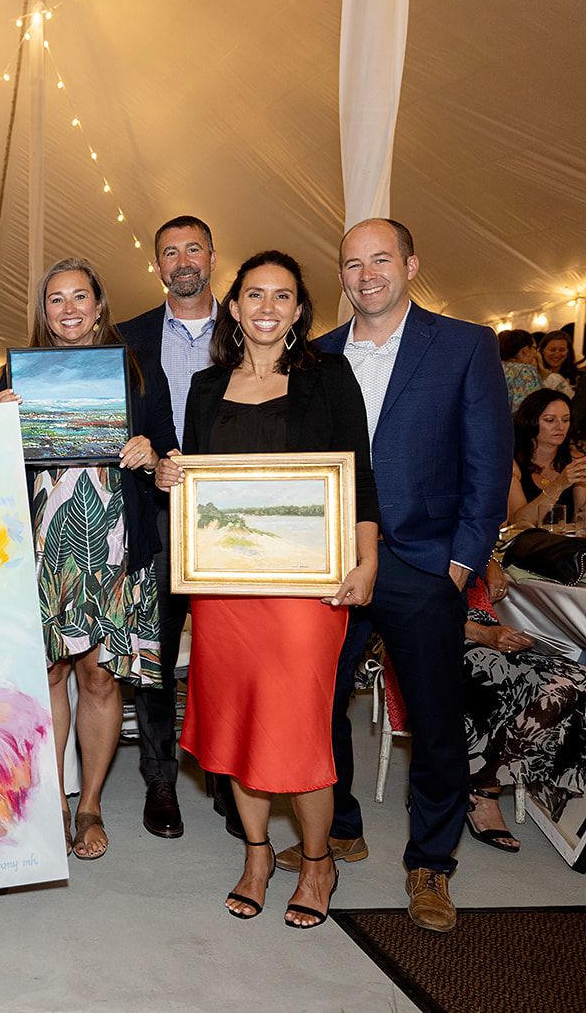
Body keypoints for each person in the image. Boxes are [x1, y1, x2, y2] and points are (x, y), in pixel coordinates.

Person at [156, 250, 379, 928]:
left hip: (305, 593)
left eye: (283, 297)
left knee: (301, 728)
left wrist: (366, 560)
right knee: (236, 725)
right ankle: (256, 855)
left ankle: (317, 861)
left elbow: (358, 476)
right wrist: (171, 477)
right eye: (255, 295)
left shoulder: (328, 376)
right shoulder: (203, 386)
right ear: (234, 306)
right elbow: (192, 482)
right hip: (225, 591)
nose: (268, 308)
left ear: (300, 311)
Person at [308, 218, 511, 933]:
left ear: (411, 263)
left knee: (433, 724)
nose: (367, 274)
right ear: (341, 275)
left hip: (425, 565)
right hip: (334, 561)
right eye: (352, 263)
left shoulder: (464, 344)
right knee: (318, 704)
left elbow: (488, 466)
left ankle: (431, 864)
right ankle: (342, 822)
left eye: (381, 259)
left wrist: (459, 565)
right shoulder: (317, 354)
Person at [0, 258, 174, 862]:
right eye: (56, 300)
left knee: (100, 677)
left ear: (100, 305)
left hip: (115, 544)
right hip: (41, 545)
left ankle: (90, 802)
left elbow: (171, 452)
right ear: (43, 313)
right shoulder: (15, 374)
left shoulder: (137, 369)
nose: (69, 310)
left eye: (80, 298)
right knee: (48, 674)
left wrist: (151, 452)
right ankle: (51, 802)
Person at [117, 214, 222, 839]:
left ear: (212, 255)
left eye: (193, 249)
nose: (182, 260)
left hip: (229, 514)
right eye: (169, 252)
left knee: (226, 650)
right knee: (154, 651)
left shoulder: (252, 326)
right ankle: (161, 779)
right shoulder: (127, 336)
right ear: (157, 265)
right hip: (154, 513)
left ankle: (227, 776)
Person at [462, 562, 586, 852]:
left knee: (575, 680)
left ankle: (488, 780)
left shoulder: (470, 530)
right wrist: (480, 634)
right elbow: (415, 608)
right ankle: (481, 792)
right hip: (431, 635)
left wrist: (489, 559)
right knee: (497, 676)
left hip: (481, 624)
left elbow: (475, 535)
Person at [507, 389, 586, 527]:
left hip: (566, 545)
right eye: (550, 420)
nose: (560, 427)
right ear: (530, 422)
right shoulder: (512, 464)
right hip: (528, 546)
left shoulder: (576, 460)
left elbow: (580, 519)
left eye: (566, 420)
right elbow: (518, 522)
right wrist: (559, 485)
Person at [499, 330, 543, 414]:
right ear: (526, 350)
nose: (536, 352)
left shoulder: (494, 369)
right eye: (534, 348)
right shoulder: (525, 370)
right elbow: (531, 408)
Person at [537, 331, 579, 399]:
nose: (557, 355)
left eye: (562, 350)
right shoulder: (535, 376)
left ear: (568, 352)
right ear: (542, 350)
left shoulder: (577, 377)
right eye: (552, 350)